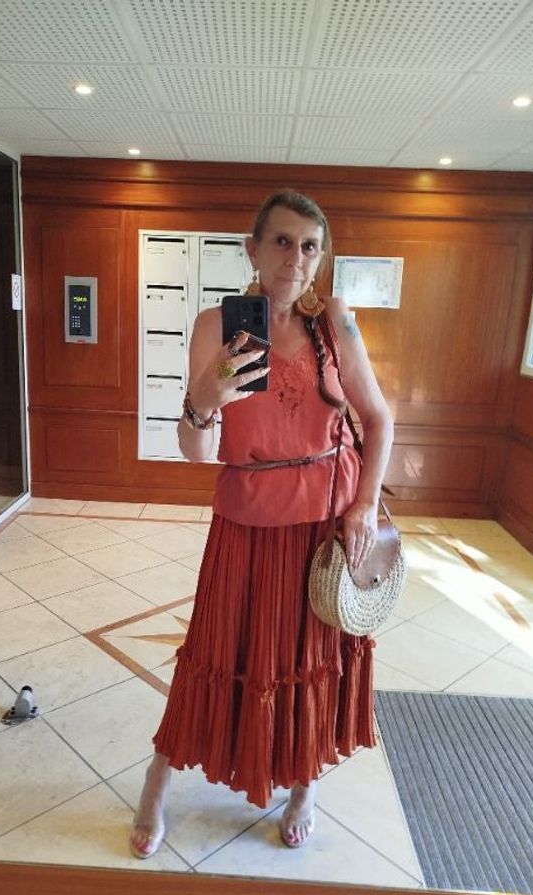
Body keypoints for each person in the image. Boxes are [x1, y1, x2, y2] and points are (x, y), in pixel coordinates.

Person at [130, 190, 394, 858]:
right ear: (251, 249)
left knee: (309, 660)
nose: (295, 259)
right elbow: (196, 451)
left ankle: (304, 787)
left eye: (310, 246)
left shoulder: (334, 323)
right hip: (245, 524)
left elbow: (379, 419)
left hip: (323, 530)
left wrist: (364, 504)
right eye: (281, 241)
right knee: (217, 654)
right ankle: (158, 783)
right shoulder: (217, 326)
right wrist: (204, 398)